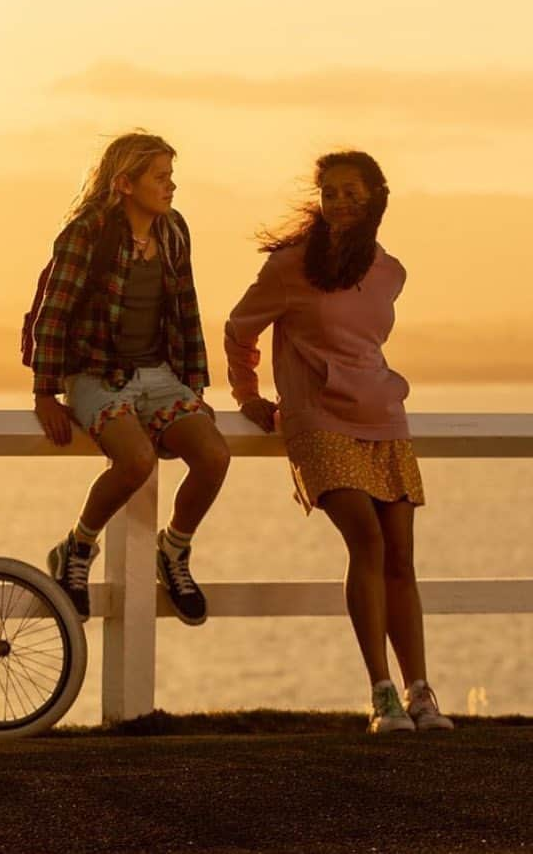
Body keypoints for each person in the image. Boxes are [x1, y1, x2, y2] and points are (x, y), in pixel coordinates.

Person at [225, 151, 453, 734]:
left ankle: (420, 694)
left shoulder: (388, 270)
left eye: (352, 191)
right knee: (368, 542)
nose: (340, 201)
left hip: (383, 417)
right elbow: (239, 328)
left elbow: (365, 344)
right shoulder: (290, 266)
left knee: (402, 556)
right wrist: (247, 393)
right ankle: (382, 696)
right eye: (330, 192)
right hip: (317, 420)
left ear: (376, 196)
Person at [32, 131, 230, 623]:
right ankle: (77, 549)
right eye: (160, 177)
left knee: (214, 454)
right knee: (136, 458)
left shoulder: (173, 231)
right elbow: (53, 315)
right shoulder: (88, 233)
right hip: (97, 373)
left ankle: (174, 549)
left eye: (171, 176)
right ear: (124, 183)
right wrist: (45, 395)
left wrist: (194, 390)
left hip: (158, 375)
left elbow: (186, 312)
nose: (170, 187)